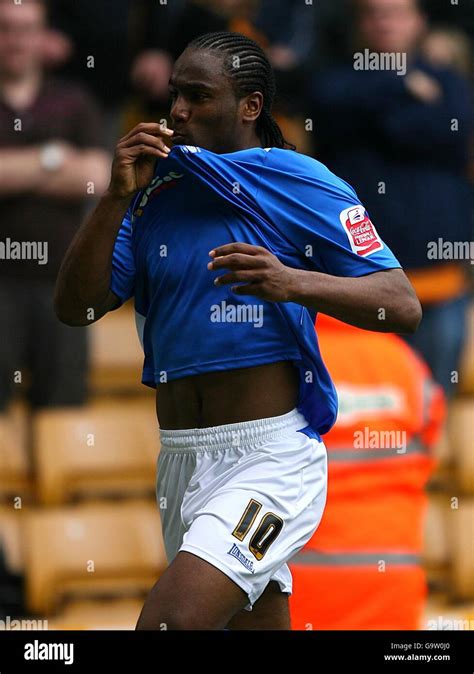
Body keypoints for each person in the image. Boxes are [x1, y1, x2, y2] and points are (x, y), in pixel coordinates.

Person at [55, 31, 421, 631]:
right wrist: (115, 198)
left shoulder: (301, 180)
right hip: (180, 461)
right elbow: (76, 308)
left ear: (250, 106)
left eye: (198, 96)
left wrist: (293, 282)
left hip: (269, 463)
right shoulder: (153, 190)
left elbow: (400, 303)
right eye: (175, 94)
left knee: (168, 624)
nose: (177, 111)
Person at [311, 0, 473, 398]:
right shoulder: (332, 82)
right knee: (363, 402)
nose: (385, 21)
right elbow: (327, 104)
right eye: (374, 13)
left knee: (432, 404)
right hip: (359, 284)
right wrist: (401, 84)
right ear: (359, 23)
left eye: (397, 12)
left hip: (437, 281)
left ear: (419, 21)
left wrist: (375, 113)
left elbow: (447, 130)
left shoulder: (449, 81)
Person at [0, 0, 110, 412]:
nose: (16, 40)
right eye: (6, 28)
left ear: (43, 37)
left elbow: (96, 178)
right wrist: (51, 158)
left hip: (61, 284)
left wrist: (15, 170)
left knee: (64, 409)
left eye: (26, 29)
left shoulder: (73, 100)